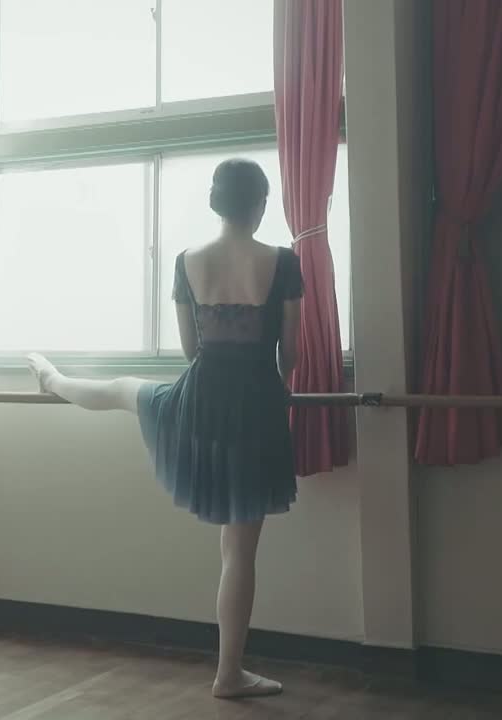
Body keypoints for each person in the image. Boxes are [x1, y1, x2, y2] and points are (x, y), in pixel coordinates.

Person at [27, 158, 302, 700]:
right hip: (256, 407)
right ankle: (229, 673)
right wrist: (278, 387)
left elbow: (191, 350)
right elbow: (289, 354)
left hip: (202, 398)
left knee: (121, 391)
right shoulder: (283, 261)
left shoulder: (187, 261)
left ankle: (53, 379)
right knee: (239, 551)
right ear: (260, 204)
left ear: (216, 202)